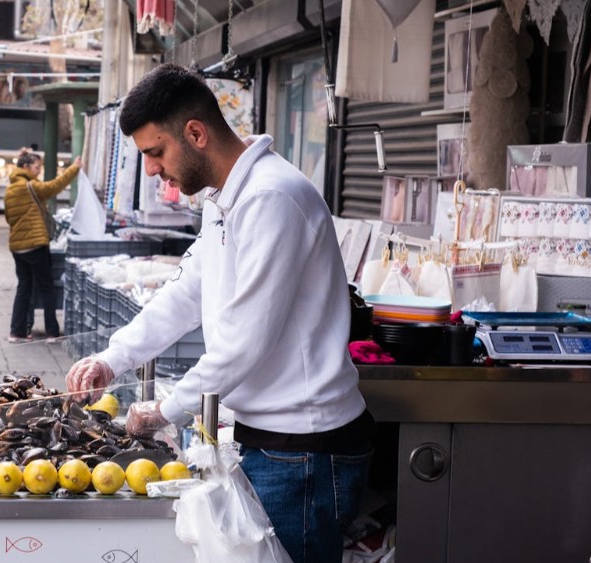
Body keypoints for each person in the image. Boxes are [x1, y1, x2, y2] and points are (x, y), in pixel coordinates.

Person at [65, 64, 374, 563]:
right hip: (270, 440)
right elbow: (186, 293)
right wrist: (112, 358)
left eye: (155, 152)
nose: (150, 170)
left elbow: (243, 345)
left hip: (304, 451)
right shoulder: (222, 199)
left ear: (195, 133)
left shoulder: (272, 197)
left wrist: (164, 410)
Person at [4, 149, 82, 343]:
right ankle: (51, 332)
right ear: (26, 167)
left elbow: (8, 218)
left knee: (24, 287)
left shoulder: (10, 189)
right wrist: (74, 168)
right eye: (36, 167)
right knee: (46, 287)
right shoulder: (30, 185)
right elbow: (54, 187)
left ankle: (17, 331)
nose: (38, 171)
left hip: (17, 247)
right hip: (35, 245)